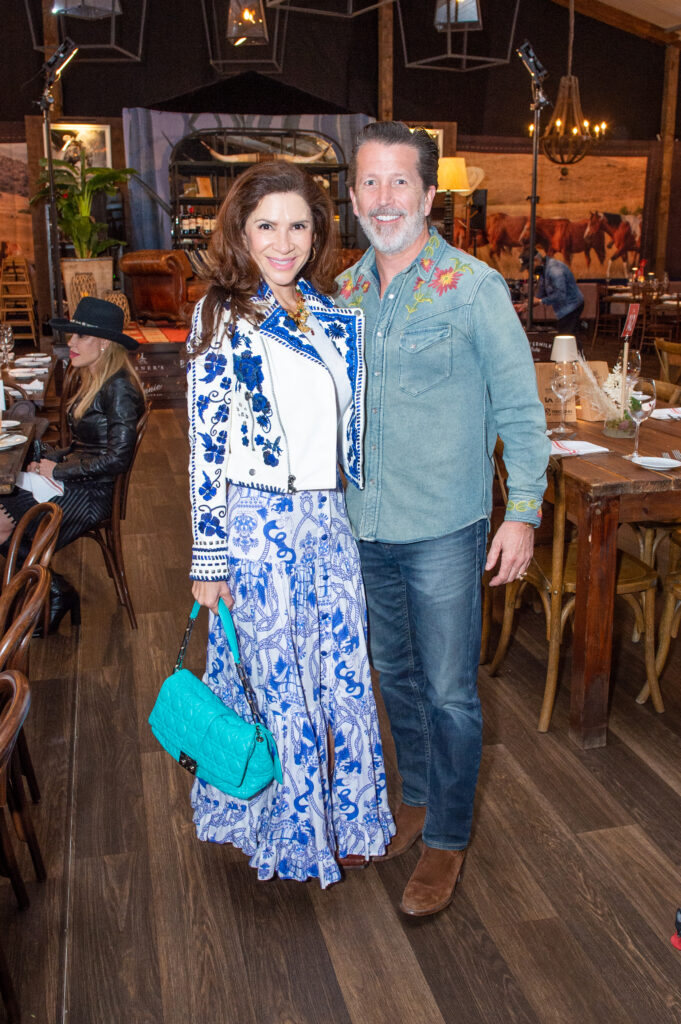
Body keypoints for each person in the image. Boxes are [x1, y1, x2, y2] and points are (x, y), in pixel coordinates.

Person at [335, 121, 550, 917]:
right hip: (364, 529)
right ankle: (418, 801)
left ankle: (447, 841)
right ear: (352, 195)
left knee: (450, 691)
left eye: (399, 183)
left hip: (444, 530)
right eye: (369, 182)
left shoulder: (475, 288)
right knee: (392, 675)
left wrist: (521, 512)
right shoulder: (344, 294)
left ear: (428, 195)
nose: (383, 198)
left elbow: (522, 414)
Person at [187, 161, 394, 888]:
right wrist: (208, 557)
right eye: (266, 225)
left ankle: (351, 819)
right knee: (274, 683)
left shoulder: (332, 313)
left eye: (298, 225)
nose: (284, 242)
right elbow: (205, 444)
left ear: (318, 230)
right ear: (241, 233)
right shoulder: (222, 314)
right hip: (258, 526)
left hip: (325, 523)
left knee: (338, 674)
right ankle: (286, 828)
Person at [0, 296, 145, 631]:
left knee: (4, 516)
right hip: (78, 479)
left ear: (105, 343)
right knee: (9, 495)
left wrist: (57, 470)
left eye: (80, 337)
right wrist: (48, 461)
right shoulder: (95, 377)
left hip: (92, 495)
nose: (71, 343)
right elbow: (83, 446)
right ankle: (49, 588)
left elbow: (117, 458)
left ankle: (52, 590)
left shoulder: (119, 387)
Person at [519, 247, 585, 342]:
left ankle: (574, 356)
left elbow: (561, 295)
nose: (529, 271)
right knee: (567, 339)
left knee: (566, 339)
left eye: (529, 267)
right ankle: (574, 354)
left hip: (572, 306)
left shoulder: (554, 270)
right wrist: (525, 305)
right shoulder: (543, 270)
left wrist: (541, 301)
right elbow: (541, 294)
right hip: (564, 309)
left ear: (536, 260)